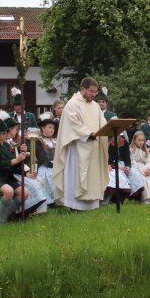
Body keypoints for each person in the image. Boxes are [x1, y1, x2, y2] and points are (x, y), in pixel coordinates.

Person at [52, 77, 109, 211]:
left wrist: (109, 133)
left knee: (92, 177)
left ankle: (91, 205)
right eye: (91, 91)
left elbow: (103, 124)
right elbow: (72, 125)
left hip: (94, 149)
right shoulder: (72, 104)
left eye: (95, 92)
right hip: (78, 149)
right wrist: (89, 134)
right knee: (77, 176)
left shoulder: (95, 106)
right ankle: (75, 206)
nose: (94, 95)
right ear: (82, 89)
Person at [0, 114, 40, 223]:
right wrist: (16, 160)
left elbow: (14, 166)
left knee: (24, 192)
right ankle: (0, 221)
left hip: (6, 177)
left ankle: (7, 215)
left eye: (4, 133)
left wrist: (25, 172)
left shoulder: (7, 146)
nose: (2, 136)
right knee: (8, 192)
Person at [104, 125, 144, 205]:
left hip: (122, 165)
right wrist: (117, 167)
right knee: (118, 176)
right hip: (111, 165)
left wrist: (128, 167)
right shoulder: (106, 143)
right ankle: (108, 199)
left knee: (135, 174)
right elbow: (108, 160)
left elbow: (127, 158)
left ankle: (138, 199)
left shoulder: (124, 142)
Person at [34, 116, 56, 203]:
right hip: (45, 166)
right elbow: (41, 157)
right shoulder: (39, 141)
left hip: (56, 165)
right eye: (49, 127)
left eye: (53, 128)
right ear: (43, 128)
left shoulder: (55, 141)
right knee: (49, 175)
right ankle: (50, 199)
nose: (52, 130)